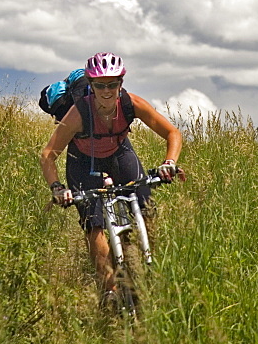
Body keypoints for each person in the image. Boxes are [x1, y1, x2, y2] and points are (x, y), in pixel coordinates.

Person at [40, 51, 183, 304]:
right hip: (83, 160)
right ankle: (110, 291)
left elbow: (172, 133)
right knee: (93, 222)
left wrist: (169, 163)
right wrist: (57, 188)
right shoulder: (78, 113)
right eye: (99, 85)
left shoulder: (131, 104)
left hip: (119, 152)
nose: (106, 90)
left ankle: (150, 264)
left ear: (121, 83)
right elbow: (48, 154)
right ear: (91, 85)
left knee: (147, 205)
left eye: (113, 84)